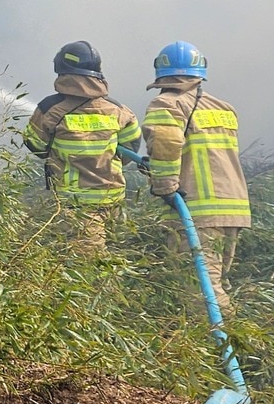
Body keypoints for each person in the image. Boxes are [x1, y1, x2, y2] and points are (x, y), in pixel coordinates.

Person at [143, 41, 251, 311]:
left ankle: (225, 348)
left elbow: (167, 141)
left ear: (161, 70)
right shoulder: (224, 108)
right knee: (215, 283)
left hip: (197, 211)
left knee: (201, 294)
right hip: (232, 210)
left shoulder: (166, 103)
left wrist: (165, 186)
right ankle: (227, 343)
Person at [22, 40, 142, 252]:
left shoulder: (50, 109)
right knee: (112, 261)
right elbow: (131, 148)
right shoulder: (119, 110)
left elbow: (35, 146)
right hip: (114, 203)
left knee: (88, 271)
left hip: (75, 208)